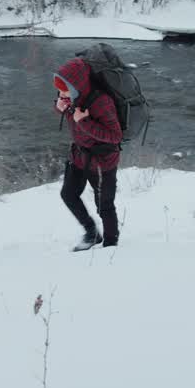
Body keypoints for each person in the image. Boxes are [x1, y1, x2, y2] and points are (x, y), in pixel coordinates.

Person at [53, 57, 123, 251]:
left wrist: (84, 122)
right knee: (68, 194)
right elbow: (73, 119)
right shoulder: (72, 98)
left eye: (65, 88)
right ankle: (91, 232)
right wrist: (61, 108)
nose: (61, 93)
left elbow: (115, 136)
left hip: (102, 162)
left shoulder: (102, 102)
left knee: (104, 206)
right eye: (59, 89)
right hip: (79, 156)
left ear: (77, 85)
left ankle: (111, 246)